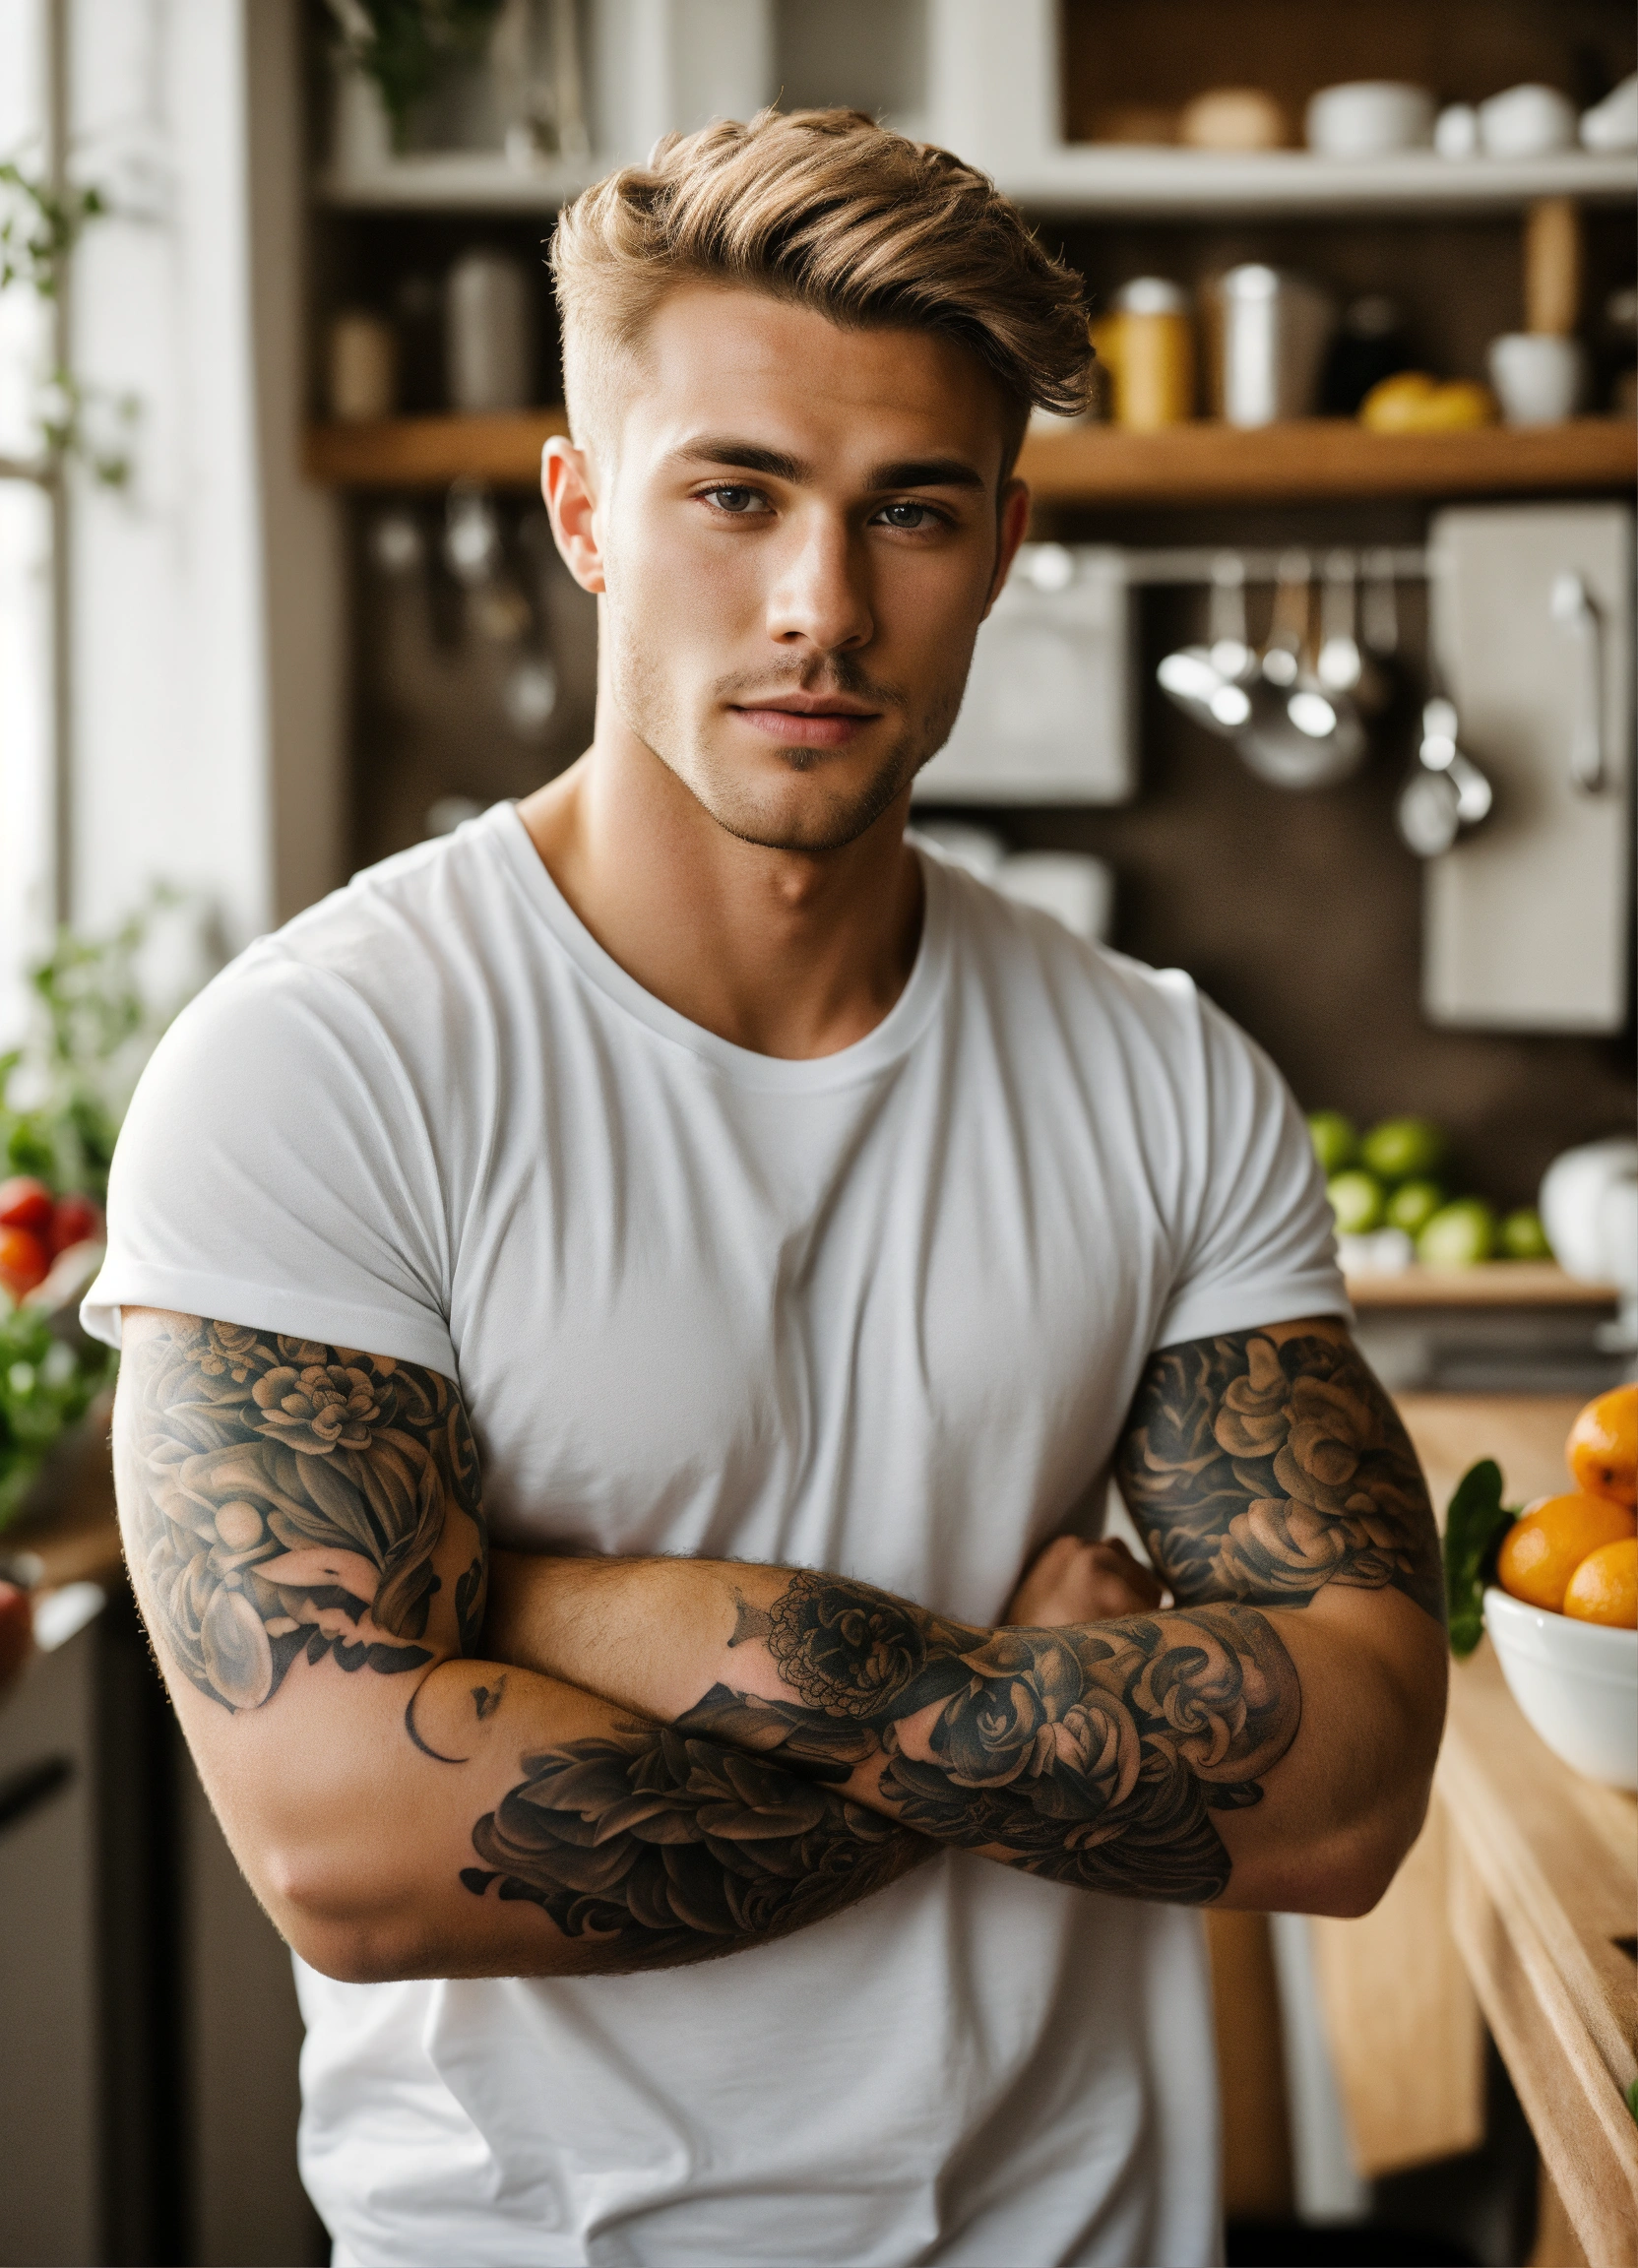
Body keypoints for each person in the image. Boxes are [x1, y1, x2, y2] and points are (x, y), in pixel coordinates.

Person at [84, 109, 1445, 2268]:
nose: (819, 605)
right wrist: (1019, 1704)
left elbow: (1356, 1781)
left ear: (1000, 544)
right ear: (583, 511)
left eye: (905, 511)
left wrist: (620, 1628)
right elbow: (349, 1856)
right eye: (735, 493)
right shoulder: (324, 1066)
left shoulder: (1162, 1078)